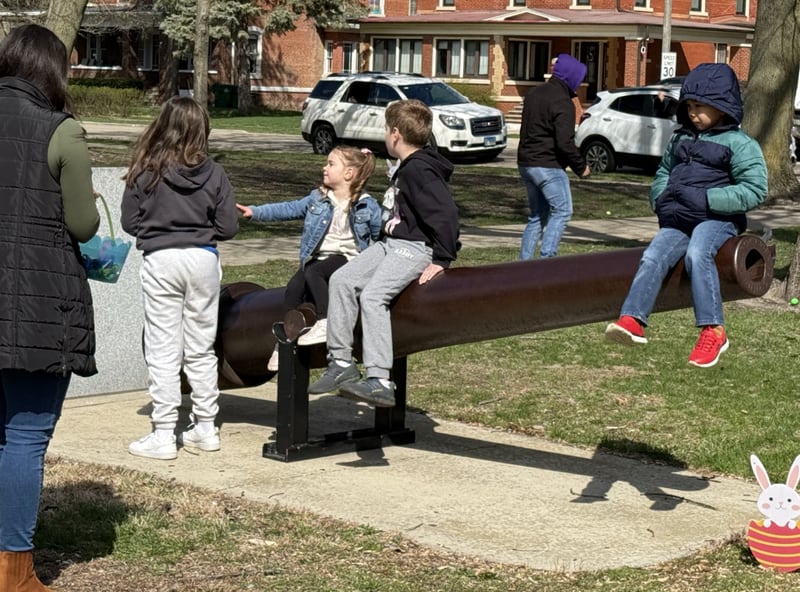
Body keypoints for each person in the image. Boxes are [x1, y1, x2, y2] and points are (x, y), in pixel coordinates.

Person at [0, 24, 101, 591]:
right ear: (53, 70)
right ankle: (13, 572)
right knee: (25, 436)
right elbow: (84, 225)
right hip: (39, 302)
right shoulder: (61, 131)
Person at [605, 63, 768, 368]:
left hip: (716, 220)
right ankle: (632, 319)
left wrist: (707, 199)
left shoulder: (740, 145)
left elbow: (755, 189)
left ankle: (713, 330)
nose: (693, 113)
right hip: (678, 219)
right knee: (653, 255)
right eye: (689, 106)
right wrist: (660, 198)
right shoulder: (680, 138)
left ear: (722, 107)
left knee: (697, 254)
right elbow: (664, 171)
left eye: (700, 107)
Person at [307, 99, 460, 407]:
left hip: (414, 248)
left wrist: (442, 259)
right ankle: (341, 363)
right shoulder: (408, 166)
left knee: (373, 297)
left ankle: (379, 380)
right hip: (390, 244)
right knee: (341, 280)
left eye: (385, 130)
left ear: (395, 134)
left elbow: (446, 214)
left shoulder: (420, 170)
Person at [121, 96, 239, 460]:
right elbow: (229, 226)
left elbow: (129, 221)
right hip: (203, 259)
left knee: (163, 349)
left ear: (163, 125)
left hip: (162, 259)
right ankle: (205, 426)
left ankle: (163, 432)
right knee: (200, 347)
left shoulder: (146, 169)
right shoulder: (215, 173)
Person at [236, 145, 382, 371]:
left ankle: (326, 320)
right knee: (294, 287)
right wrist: (256, 212)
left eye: (331, 164)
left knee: (315, 272)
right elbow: (288, 209)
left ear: (349, 173)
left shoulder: (367, 204)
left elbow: (380, 234)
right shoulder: (318, 199)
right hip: (318, 257)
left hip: (347, 258)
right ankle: (285, 339)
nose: (324, 167)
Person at [517, 52, 591, 260]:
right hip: (548, 165)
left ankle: (523, 265)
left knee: (537, 217)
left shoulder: (533, 94)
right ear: (570, 77)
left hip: (526, 163)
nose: (579, 83)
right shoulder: (562, 102)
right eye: (579, 78)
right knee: (562, 211)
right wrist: (581, 167)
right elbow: (564, 142)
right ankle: (547, 261)